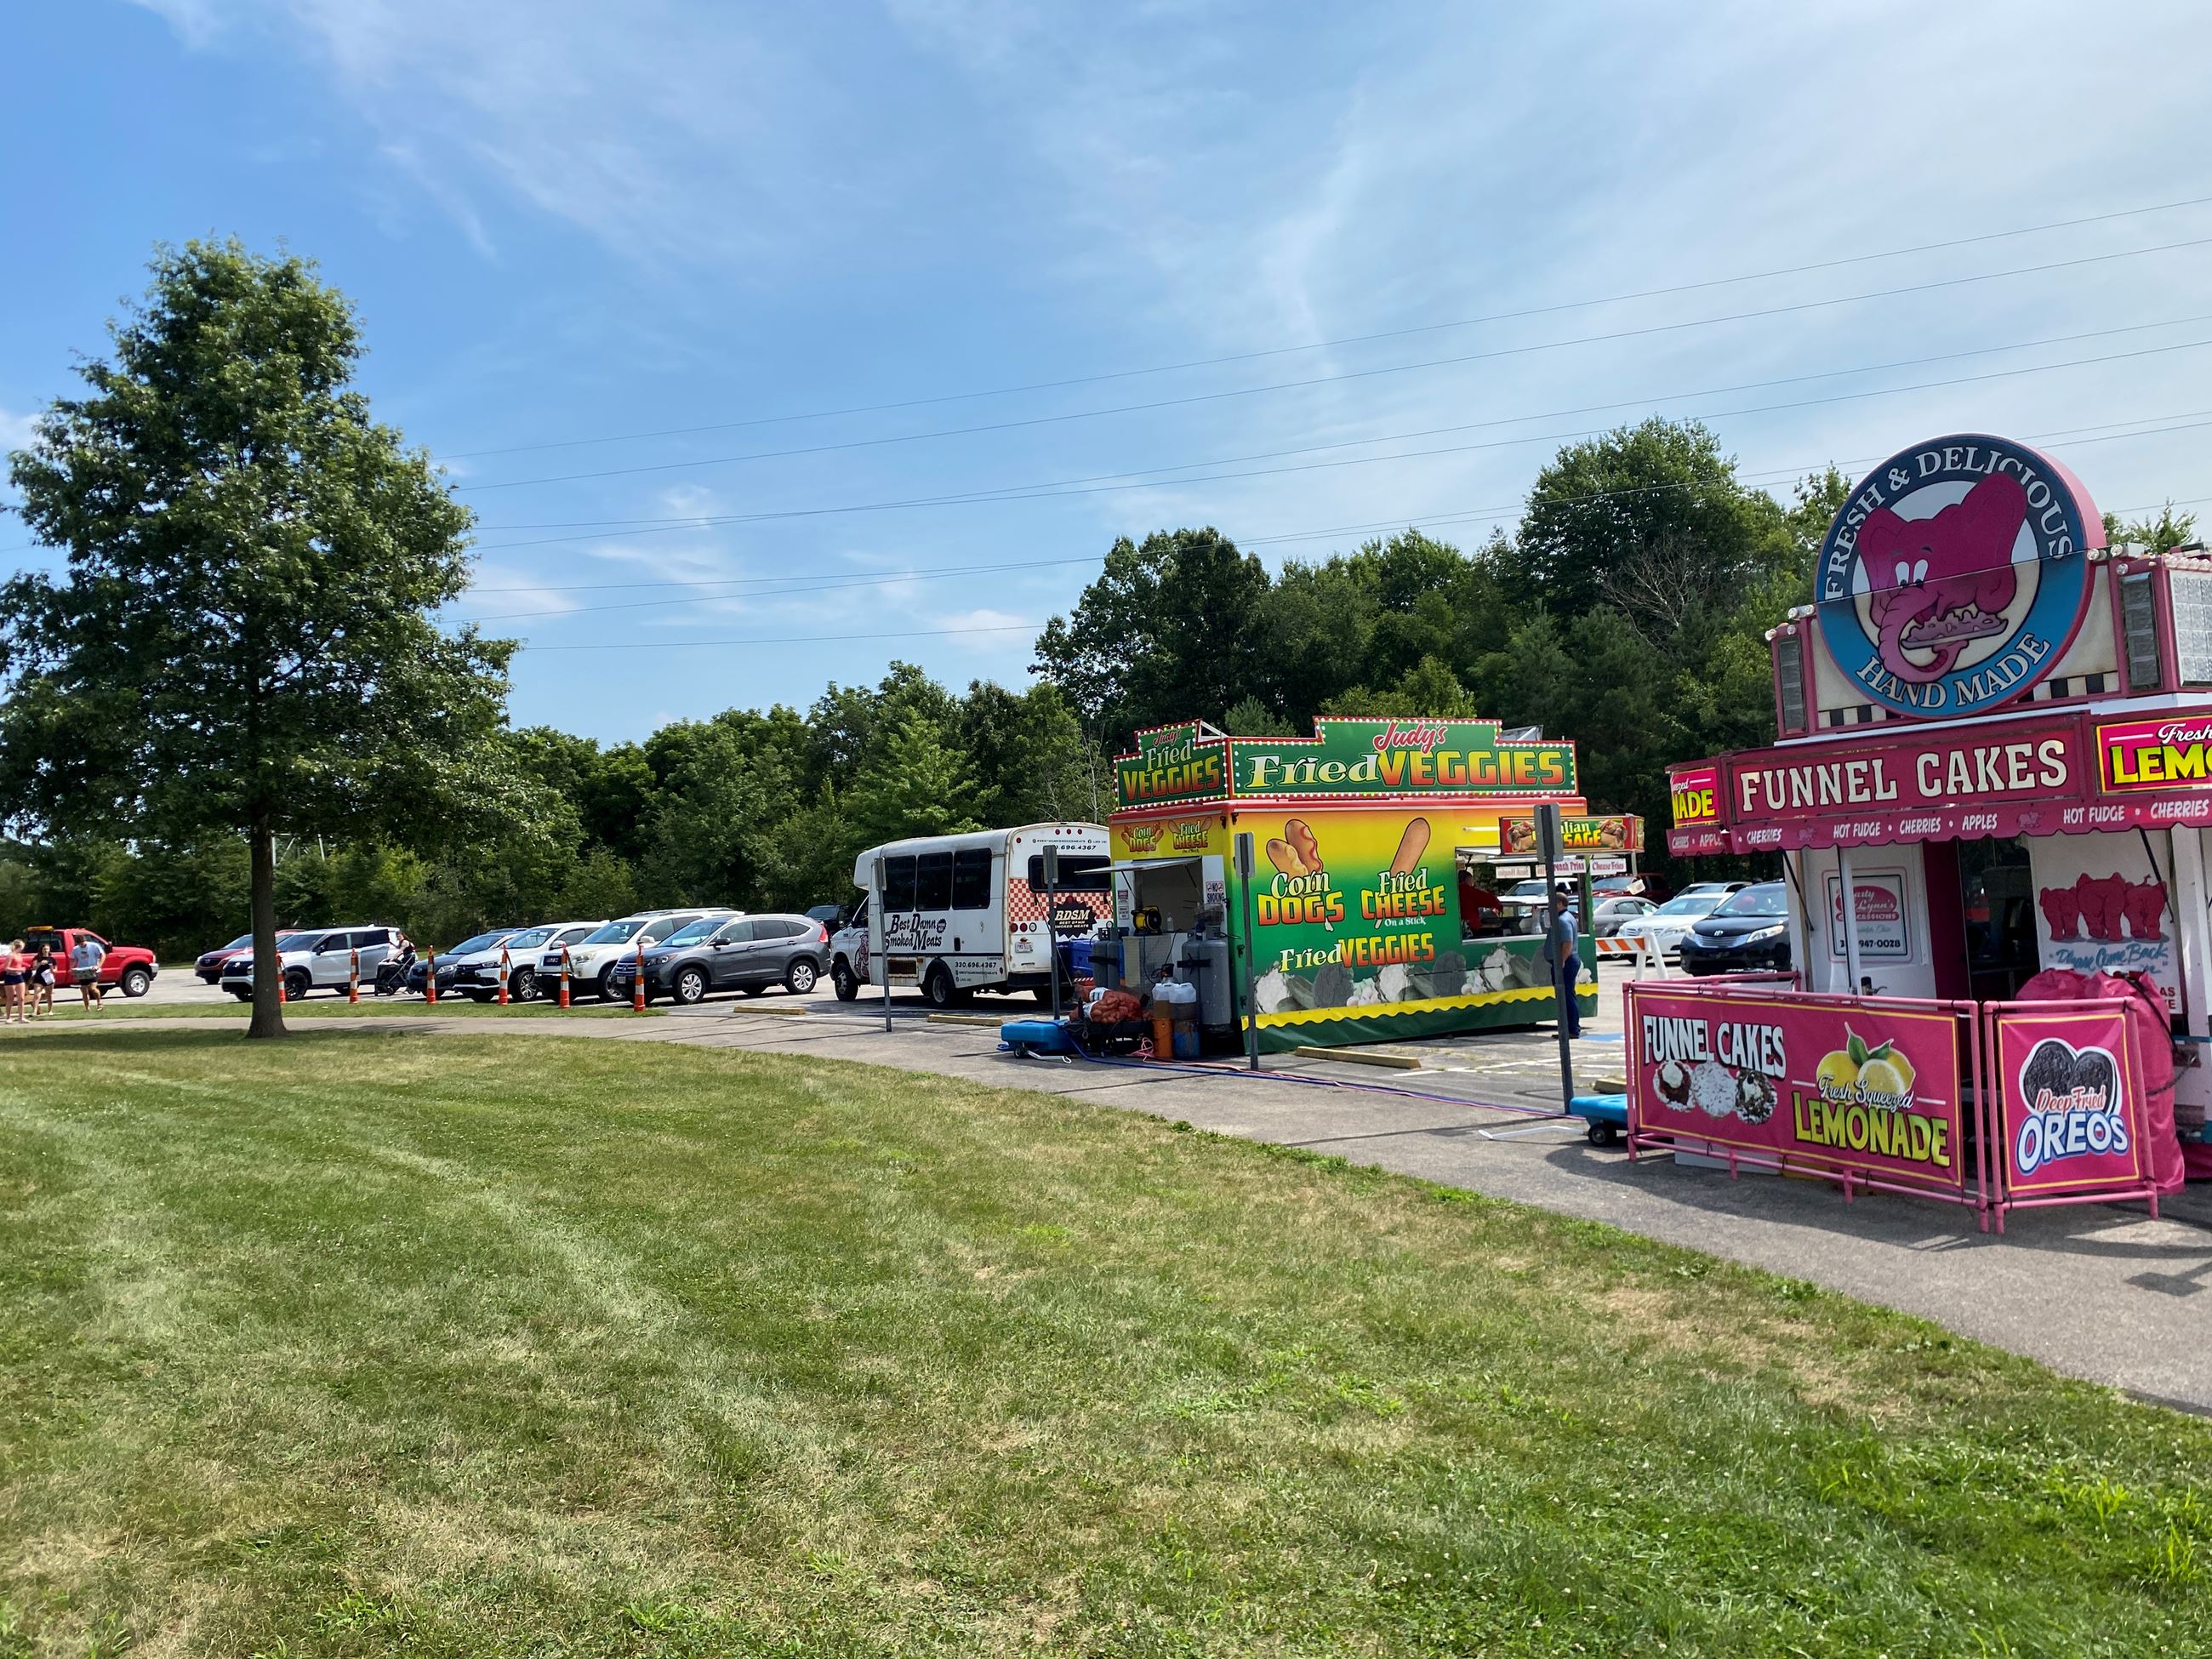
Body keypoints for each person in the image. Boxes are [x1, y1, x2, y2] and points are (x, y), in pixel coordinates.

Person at [1539, 890, 1582, 1040]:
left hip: (1566, 962)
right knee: (1567, 995)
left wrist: (1561, 961)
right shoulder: (1566, 917)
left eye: (1551, 902)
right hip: (1567, 961)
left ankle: (1571, 1030)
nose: (1549, 906)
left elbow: (1567, 943)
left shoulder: (1563, 920)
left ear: (1559, 903)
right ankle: (1568, 1028)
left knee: (1566, 996)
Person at [70, 932, 106, 1013]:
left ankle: (99, 1002)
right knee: (84, 989)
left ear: (85, 940)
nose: (82, 945)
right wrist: (71, 968)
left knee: (92, 988)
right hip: (82, 970)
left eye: (83, 943)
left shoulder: (94, 946)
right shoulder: (76, 949)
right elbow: (73, 959)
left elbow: (103, 955)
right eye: (80, 944)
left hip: (93, 969)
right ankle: (87, 1008)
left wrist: (98, 966)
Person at [1, 939, 24, 1025]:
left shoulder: (20, 955)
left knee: (21, 998)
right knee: (10, 998)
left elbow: (20, 964)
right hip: (11, 977)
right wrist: (19, 969)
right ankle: (8, 1017)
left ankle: (21, 1017)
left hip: (19, 977)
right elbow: (6, 968)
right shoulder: (11, 955)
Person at [30, 944, 56, 1018]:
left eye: (47, 949)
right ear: (41, 950)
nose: (45, 951)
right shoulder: (37, 958)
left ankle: (50, 1010)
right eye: (44, 949)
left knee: (49, 995)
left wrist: (53, 970)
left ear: (49, 950)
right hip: (39, 978)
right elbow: (34, 967)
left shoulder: (52, 959)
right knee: (37, 994)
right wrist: (40, 963)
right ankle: (34, 1011)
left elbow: (55, 969)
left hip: (48, 978)